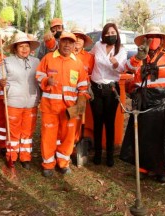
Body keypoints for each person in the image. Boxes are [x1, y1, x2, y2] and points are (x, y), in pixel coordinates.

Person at [119, 26, 165, 183]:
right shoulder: (139, 58)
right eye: (149, 37)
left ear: (162, 40)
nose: (153, 40)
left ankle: (162, 170)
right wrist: (138, 58)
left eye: (156, 37)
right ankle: (143, 168)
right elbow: (127, 70)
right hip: (145, 101)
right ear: (144, 40)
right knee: (144, 136)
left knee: (164, 136)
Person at [36, 32, 90, 177]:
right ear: (59, 43)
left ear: (74, 45)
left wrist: (81, 100)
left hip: (69, 109)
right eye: (64, 41)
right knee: (49, 135)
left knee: (67, 137)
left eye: (70, 42)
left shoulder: (78, 63)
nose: (67, 45)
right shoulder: (48, 58)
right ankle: (48, 164)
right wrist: (47, 80)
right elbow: (39, 75)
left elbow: (83, 86)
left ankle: (63, 163)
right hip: (50, 107)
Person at [0, 33, 40, 169]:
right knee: (13, 131)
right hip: (13, 102)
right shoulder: (6, 61)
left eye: (27, 46)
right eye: (21, 46)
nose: (24, 49)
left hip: (31, 102)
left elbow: (41, 79)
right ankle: (12, 156)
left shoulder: (36, 62)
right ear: (15, 48)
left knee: (28, 131)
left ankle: (25, 157)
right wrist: (0, 81)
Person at [89, 23, 127, 167]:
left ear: (117, 34)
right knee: (97, 122)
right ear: (104, 35)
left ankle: (110, 155)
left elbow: (123, 69)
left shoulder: (122, 50)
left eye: (113, 32)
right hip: (96, 88)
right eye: (108, 33)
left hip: (112, 89)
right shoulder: (98, 46)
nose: (110, 35)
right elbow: (88, 57)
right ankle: (98, 154)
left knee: (109, 122)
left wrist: (116, 63)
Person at [71, 28, 95, 143]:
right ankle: (67, 143)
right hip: (67, 93)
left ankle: (78, 141)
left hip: (82, 94)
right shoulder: (65, 55)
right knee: (68, 117)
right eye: (75, 37)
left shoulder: (89, 57)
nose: (78, 40)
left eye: (80, 38)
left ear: (84, 41)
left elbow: (93, 74)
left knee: (80, 118)